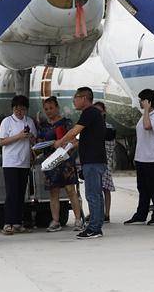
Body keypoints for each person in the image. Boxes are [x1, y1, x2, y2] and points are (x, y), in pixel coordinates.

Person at [54, 87, 106, 239]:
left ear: (84, 98)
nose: (74, 101)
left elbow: (74, 132)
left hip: (93, 161)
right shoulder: (94, 114)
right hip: (95, 160)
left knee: (92, 194)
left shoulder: (89, 112)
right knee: (96, 194)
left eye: (75, 97)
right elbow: (84, 138)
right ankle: (97, 225)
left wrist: (60, 141)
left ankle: (94, 228)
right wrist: (70, 144)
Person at [38, 96, 84, 232]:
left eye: (51, 108)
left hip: (65, 160)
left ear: (57, 107)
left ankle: (77, 219)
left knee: (71, 190)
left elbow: (76, 140)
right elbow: (39, 143)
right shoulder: (44, 126)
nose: (49, 111)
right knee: (54, 191)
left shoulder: (66, 123)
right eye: (46, 109)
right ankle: (55, 221)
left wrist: (66, 145)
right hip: (51, 162)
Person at [0, 94, 37, 235]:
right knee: (11, 193)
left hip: (24, 162)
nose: (19, 112)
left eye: (22, 109)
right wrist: (18, 136)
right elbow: (1, 141)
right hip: (10, 162)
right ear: (13, 109)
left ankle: (18, 223)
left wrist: (31, 137)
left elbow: (34, 142)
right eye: (17, 109)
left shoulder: (30, 122)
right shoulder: (7, 122)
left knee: (21, 194)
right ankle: (8, 223)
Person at [125, 89, 154, 226]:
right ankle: (141, 214)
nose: (140, 102)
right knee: (142, 187)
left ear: (148, 101)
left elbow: (148, 127)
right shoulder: (145, 115)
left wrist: (147, 110)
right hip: (141, 157)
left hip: (151, 157)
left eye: (142, 100)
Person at [93, 101, 114, 223]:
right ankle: (96, 212)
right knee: (94, 188)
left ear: (104, 112)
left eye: (100, 111)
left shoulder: (108, 127)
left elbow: (110, 145)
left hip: (105, 160)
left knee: (105, 187)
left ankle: (106, 213)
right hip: (95, 160)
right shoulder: (92, 126)